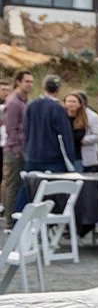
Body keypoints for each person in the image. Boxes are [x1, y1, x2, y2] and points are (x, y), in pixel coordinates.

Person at [22, 75, 73, 177]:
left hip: (32, 156)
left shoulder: (32, 105)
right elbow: (64, 136)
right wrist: (70, 160)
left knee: (30, 190)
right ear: (58, 89)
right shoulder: (57, 108)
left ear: (44, 87)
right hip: (53, 160)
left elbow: (26, 130)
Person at [1, 69, 33, 229]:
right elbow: (11, 128)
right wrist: (16, 150)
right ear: (18, 82)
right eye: (27, 81)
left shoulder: (24, 100)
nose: (30, 85)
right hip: (15, 150)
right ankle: (9, 221)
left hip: (22, 148)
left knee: (18, 184)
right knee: (12, 185)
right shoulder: (13, 102)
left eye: (31, 82)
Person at [63, 93, 89, 171]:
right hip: (61, 156)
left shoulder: (82, 120)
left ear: (79, 104)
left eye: (73, 101)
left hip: (76, 156)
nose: (71, 104)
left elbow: (78, 136)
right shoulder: (61, 118)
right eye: (68, 101)